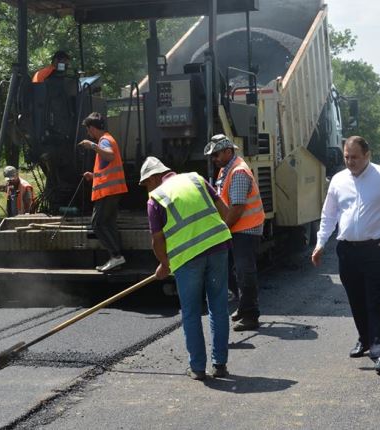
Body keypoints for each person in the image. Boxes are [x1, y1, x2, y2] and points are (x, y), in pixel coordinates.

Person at [311, 136, 380, 376]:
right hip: (347, 249)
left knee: (377, 300)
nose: (350, 162)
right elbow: (329, 214)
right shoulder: (339, 180)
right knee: (356, 298)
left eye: (355, 157)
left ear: (367, 155)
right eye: (346, 157)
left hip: (376, 248)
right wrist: (320, 243)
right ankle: (364, 339)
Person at [139, 156, 232, 381]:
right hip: (218, 249)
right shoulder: (196, 179)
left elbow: (157, 240)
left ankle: (198, 368)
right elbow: (224, 210)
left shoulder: (155, 199)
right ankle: (220, 365)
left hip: (188, 259)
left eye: (146, 184)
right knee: (218, 306)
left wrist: (164, 264)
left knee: (191, 312)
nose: (146, 189)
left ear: (154, 178)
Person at [204, 134, 265, 332]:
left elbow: (237, 208)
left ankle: (250, 315)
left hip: (246, 229)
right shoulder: (226, 169)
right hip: (237, 229)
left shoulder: (238, 172)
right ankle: (243, 306)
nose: (214, 159)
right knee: (231, 270)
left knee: (244, 272)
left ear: (228, 151)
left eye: (216, 155)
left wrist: (222, 229)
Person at [79, 112, 128, 272]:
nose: (88, 133)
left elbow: (110, 155)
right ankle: (117, 258)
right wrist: (93, 176)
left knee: (97, 223)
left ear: (92, 128)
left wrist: (92, 146)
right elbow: (108, 167)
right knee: (108, 223)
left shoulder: (104, 140)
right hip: (113, 190)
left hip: (108, 192)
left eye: (88, 129)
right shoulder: (107, 139)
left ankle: (116, 256)